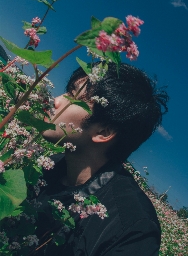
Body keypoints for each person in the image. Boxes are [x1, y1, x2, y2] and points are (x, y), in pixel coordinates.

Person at [35, 62, 169, 256]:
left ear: (104, 132)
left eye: (74, 97)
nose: (55, 101)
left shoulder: (130, 231)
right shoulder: (46, 167)